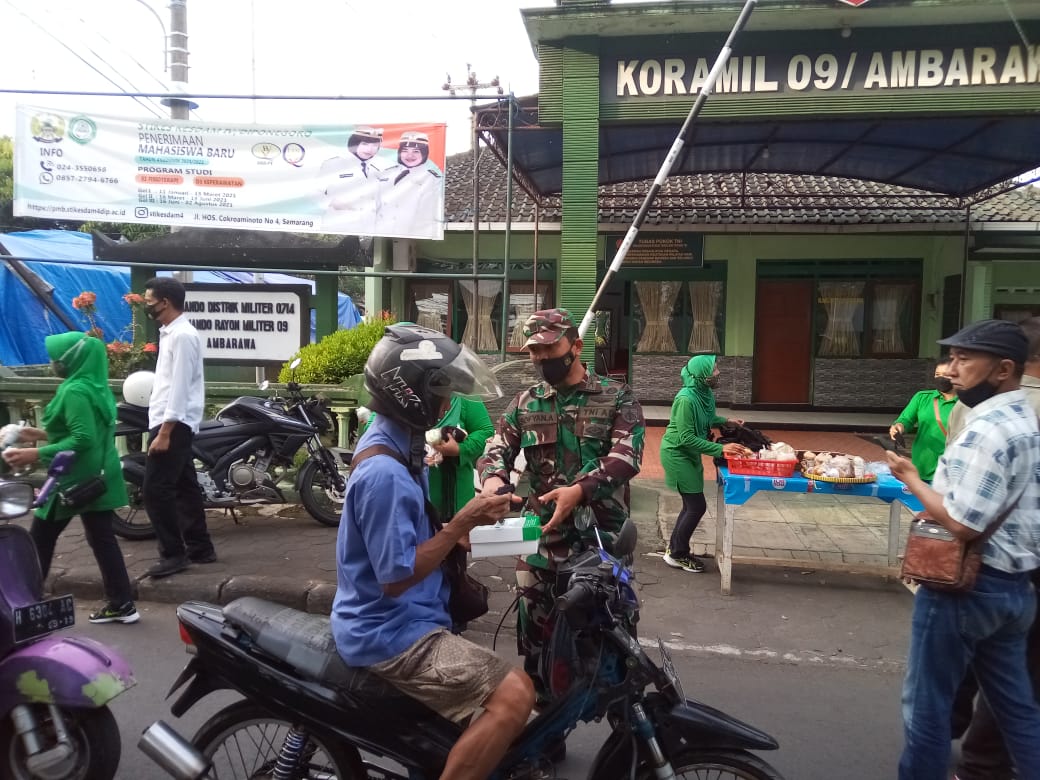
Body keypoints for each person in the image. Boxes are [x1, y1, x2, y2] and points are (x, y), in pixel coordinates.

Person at [331, 324, 534, 780]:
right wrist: (460, 523)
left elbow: (408, 537)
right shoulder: (385, 473)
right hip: (391, 633)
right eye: (440, 393)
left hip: (412, 617)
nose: (446, 406)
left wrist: (459, 530)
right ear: (410, 394)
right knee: (517, 693)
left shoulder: (399, 444)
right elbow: (396, 576)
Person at [885, 319, 1040, 780]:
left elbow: (961, 521)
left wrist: (911, 477)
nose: (951, 370)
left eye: (964, 359)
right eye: (952, 358)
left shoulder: (987, 428)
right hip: (1016, 591)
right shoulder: (1025, 420)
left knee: (926, 706)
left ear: (1003, 369)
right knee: (1017, 707)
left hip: (966, 588)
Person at [477, 308, 644, 697]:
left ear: (576, 346)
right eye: (534, 351)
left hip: (601, 548)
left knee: (615, 645)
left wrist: (580, 490)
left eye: (549, 349)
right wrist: (493, 479)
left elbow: (626, 457)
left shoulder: (617, 397)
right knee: (537, 648)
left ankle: (629, 738)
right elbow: (495, 450)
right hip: (540, 547)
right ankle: (546, 738)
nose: (540, 359)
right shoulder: (526, 403)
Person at [1, 332, 138, 624]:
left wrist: (33, 455)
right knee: (102, 539)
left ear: (72, 359)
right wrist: (36, 435)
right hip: (96, 472)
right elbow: (82, 431)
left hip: (74, 477)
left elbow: (82, 439)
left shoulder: (74, 390)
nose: (53, 363)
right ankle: (122, 603)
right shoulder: (94, 385)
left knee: (40, 538)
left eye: (57, 358)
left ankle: (25, 605)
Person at [954, 315, 1040, 780]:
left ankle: (961, 738)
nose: (952, 368)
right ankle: (982, 762)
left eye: (962, 358)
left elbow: (959, 498)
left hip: (982, 558)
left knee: (980, 655)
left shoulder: (987, 407)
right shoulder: (1017, 409)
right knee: (1018, 672)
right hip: (1017, 561)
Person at [141, 276, 215, 578]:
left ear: (165, 302)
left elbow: (181, 386)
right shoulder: (170, 333)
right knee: (185, 488)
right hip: (170, 420)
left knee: (155, 491)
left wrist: (165, 432)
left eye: (149, 301)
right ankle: (200, 548)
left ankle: (173, 554)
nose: (147, 306)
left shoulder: (183, 335)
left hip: (173, 423)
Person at [660, 355, 750, 573]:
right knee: (696, 506)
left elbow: (708, 418)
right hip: (677, 454)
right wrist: (721, 449)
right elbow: (685, 438)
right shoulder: (686, 399)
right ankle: (678, 554)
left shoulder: (704, 393)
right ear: (701, 375)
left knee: (691, 505)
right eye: (714, 370)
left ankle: (675, 550)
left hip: (690, 455)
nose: (717, 374)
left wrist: (725, 421)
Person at [426, 395, 495, 522]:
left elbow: (485, 431)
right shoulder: (400, 394)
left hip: (459, 495)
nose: (448, 408)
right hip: (416, 492)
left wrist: (460, 449)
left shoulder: (464, 396)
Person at [887, 357, 957, 481]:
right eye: (937, 374)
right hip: (922, 466)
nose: (940, 378)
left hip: (952, 470)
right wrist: (898, 427)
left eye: (945, 375)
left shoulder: (967, 404)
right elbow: (905, 420)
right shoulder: (922, 398)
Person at [319, 125, 388, 233]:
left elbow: (378, 203)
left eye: (375, 145)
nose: (369, 149)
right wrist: (331, 202)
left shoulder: (375, 171)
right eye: (365, 144)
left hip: (368, 228)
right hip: (338, 226)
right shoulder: (334, 164)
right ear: (354, 143)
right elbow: (313, 191)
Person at [376, 131, 444, 239]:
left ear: (424, 153)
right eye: (405, 151)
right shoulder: (387, 173)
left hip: (411, 235)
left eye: (416, 151)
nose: (410, 155)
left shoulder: (432, 178)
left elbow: (428, 214)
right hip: (381, 234)